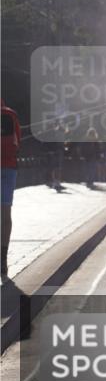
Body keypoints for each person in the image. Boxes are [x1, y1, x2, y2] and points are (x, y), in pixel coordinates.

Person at [1, 101, 21, 281]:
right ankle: (3, 257)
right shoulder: (10, 114)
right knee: (5, 214)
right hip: (8, 167)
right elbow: (18, 141)